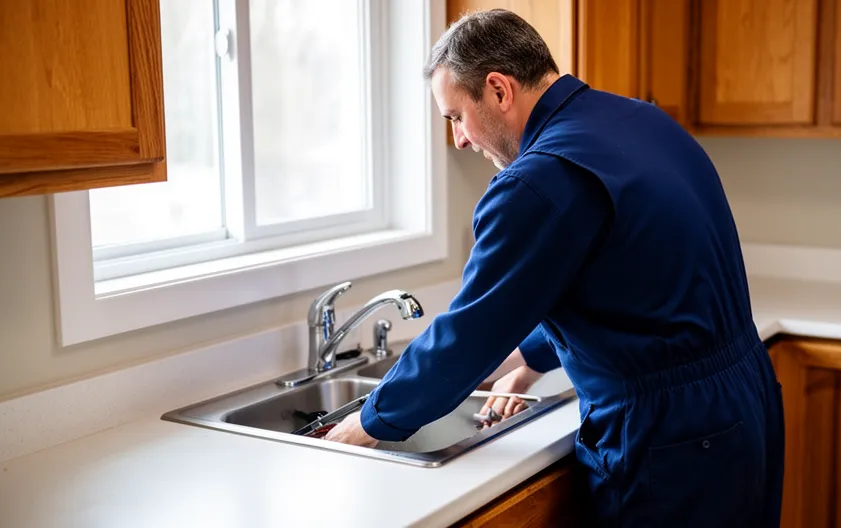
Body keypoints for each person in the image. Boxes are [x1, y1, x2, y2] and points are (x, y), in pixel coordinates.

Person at [324, 8, 785, 526]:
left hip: (671, 437)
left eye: (456, 116)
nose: (458, 139)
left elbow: (469, 335)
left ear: (499, 90)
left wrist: (366, 423)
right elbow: (629, 287)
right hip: (742, 403)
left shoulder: (539, 181)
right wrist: (533, 360)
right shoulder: (640, 120)